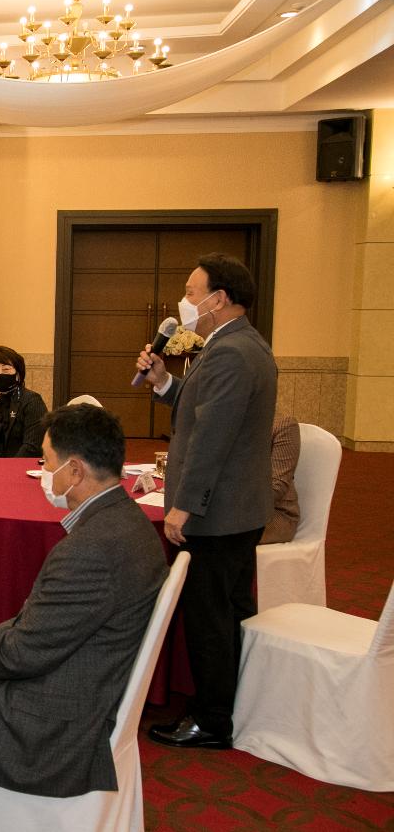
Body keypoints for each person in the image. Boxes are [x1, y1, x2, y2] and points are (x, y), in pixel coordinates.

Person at [0, 405, 166, 797]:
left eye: (46, 462)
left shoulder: (91, 549)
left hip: (51, 724)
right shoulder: (130, 522)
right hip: (84, 681)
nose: (43, 473)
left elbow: (22, 655)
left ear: (75, 471)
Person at [135, 253, 276, 750]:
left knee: (209, 616)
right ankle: (229, 703)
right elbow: (202, 412)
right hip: (236, 507)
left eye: (192, 292)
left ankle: (211, 719)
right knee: (229, 610)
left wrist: (184, 506)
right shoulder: (231, 346)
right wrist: (164, 384)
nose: (185, 301)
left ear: (219, 299)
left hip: (218, 513)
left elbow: (211, 439)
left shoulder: (232, 353)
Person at [0, 346, 47, 458]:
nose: (0, 374)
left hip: (21, 467)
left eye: (6, 369)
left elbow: (31, 447)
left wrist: (8, 468)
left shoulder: (32, 401)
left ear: (18, 374)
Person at [260, 414, 301, 544]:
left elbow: (276, 487)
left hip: (276, 514)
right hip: (225, 511)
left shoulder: (283, 425)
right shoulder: (221, 426)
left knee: (213, 533)